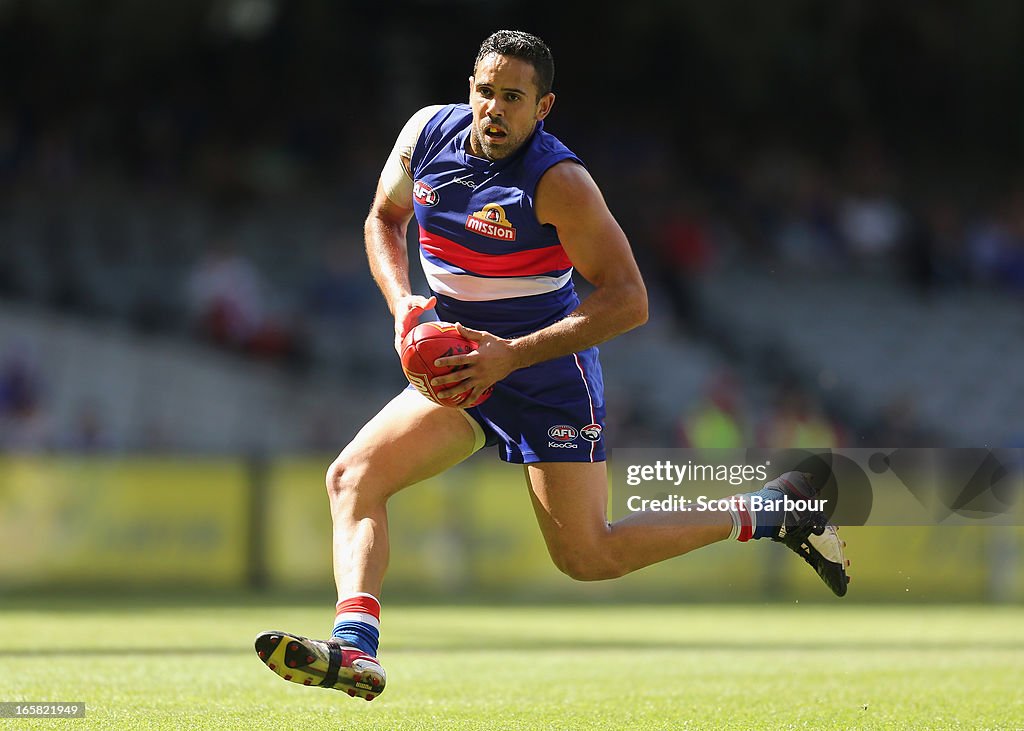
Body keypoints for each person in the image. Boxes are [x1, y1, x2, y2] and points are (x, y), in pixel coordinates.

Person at [254, 30, 849, 701]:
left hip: (542, 373)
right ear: (469, 89)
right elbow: (382, 220)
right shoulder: (424, 136)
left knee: (587, 556)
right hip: (459, 363)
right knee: (351, 476)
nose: (495, 108)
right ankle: (357, 651)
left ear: (544, 107)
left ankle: (775, 509)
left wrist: (510, 356)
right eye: (486, 91)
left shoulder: (559, 182)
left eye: (514, 96)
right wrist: (403, 307)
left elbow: (630, 299)